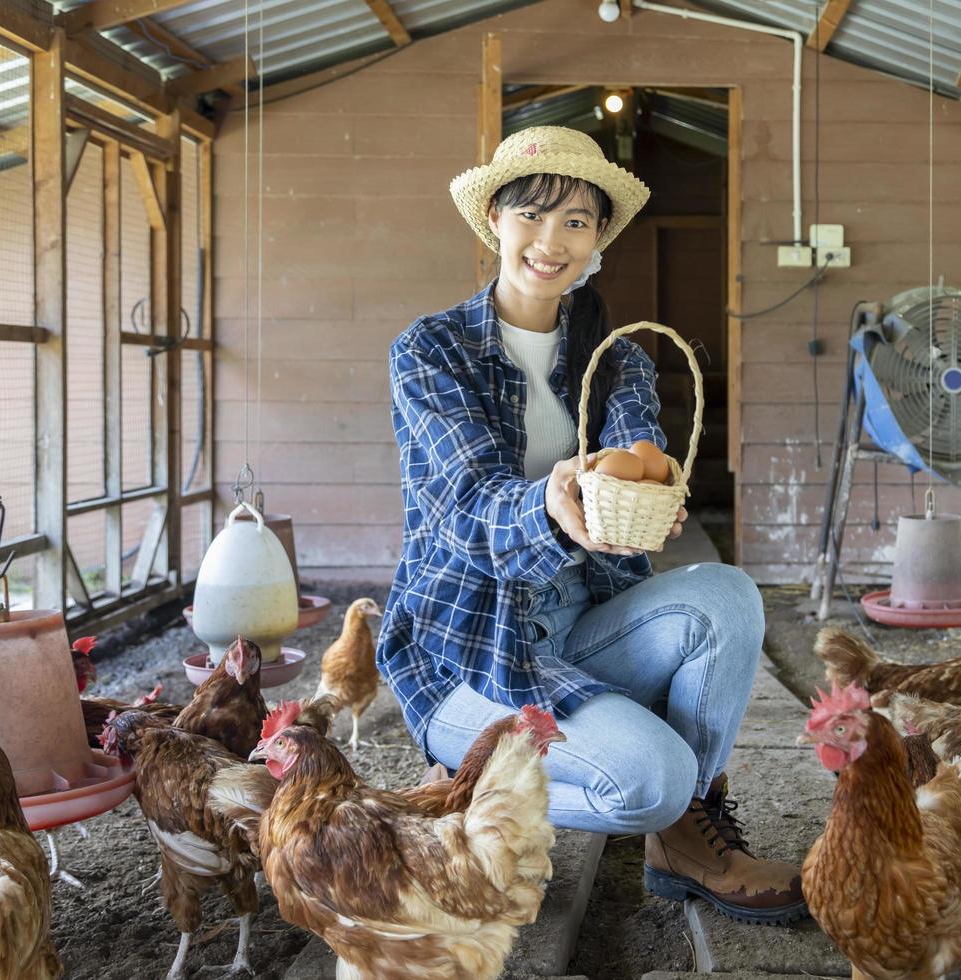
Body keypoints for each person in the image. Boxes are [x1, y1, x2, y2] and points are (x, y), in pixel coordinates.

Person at [376, 127, 806, 925]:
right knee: (651, 779)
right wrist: (549, 500)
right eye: (533, 214)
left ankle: (684, 836)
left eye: (577, 221)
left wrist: (656, 481)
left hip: (579, 628)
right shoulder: (431, 351)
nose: (552, 241)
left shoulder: (619, 359)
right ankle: (458, 797)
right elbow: (465, 510)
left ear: (598, 239)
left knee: (729, 595)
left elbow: (640, 456)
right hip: (470, 649)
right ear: (495, 220)